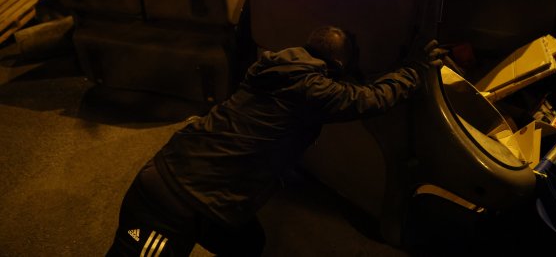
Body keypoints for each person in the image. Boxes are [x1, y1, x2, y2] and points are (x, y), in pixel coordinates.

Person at [106, 26, 444, 257]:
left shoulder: (276, 67)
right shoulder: (313, 89)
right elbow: (369, 99)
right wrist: (414, 70)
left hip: (194, 184)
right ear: (338, 65)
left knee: (248, 243)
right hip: (172, 201)